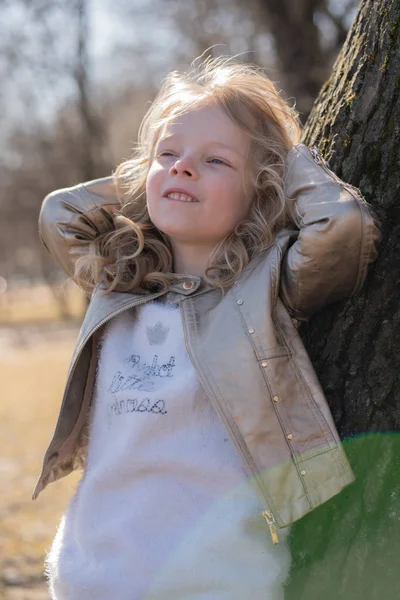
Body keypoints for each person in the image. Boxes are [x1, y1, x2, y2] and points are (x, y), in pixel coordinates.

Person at [33, 55, 381, 600]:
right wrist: (157, 171)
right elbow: (61, 213)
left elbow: (342, 228)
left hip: (220, 582)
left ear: (262, 186)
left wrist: (288, 164)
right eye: (167, 155)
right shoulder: (122, 282)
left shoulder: (262, 288)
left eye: (215, 162)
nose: (183, 168)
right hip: (91, 576)